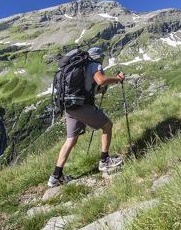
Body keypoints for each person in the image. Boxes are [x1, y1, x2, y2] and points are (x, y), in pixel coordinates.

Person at [47, 47, 125, 187]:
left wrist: (99, 90)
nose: (102, 61)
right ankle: (104, 160)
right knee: (107, 126)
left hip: (69, 106)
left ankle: (55, 176)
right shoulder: (94, 65)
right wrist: (117, 79)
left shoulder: (78, 67)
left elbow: (86, 89)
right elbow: (100, 80)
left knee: (71, 140)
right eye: (102, 59)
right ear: (98, 57)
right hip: (81, 107)